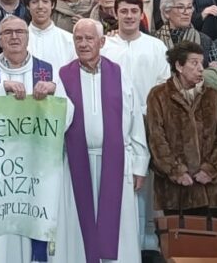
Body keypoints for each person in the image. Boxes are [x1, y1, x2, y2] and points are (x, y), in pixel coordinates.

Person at [53, 19, 149, 263]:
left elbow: (135, 118)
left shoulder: (119, 74)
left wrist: (139, 164)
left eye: (89, 38)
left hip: (116, 161)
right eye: (78, 39)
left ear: (102, 41)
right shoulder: (63, 75)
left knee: (119, 225)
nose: (83, 44)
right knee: (75, 223)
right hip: (75, 163)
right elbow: (57, 121)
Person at [0, 16, 65, 263]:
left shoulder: (47, 70)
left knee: (37, 227)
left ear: (28, 36)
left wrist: (54, 93)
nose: (14, 37)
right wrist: (1, 88)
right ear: (0, 39)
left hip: (39, 166)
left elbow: (69, 116)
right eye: (8, 33)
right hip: (0, 169)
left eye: (20, 32)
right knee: (4, 237)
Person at [102, 0, 170, 253]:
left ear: (141, 14)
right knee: (120, 181)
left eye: (133, 11)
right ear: (116, 13)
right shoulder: (106, 46)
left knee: (147, 182)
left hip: (149, 120)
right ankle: (119, 240)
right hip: (114, 123)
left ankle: (148, 239)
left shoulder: (154, 46)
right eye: (124, 11)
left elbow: (164, 85)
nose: (129, 16)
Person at [146, 41, 217, 214]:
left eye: (202, 63)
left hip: (209, 189)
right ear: (179, 65)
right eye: (194, 63)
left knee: (210, 237)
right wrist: (176, 171)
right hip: (174, 191)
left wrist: (210, 169)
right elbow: (156, 137)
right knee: (176, 238)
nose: (201, 68)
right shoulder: (158, 95)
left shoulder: (213, 95)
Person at [154, 0, 217, 84]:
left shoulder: (204, 40)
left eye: (189, 7)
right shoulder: (154, 41)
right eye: (181, 7)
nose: (186, 12)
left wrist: (209, 72)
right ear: (166, 12)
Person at [25, 0, 75, 74]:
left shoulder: (68, 40)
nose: (40, 6)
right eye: (35, 2)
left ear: (52, 5)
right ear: (28, 6)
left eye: (45, 1)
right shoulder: (19, 40)